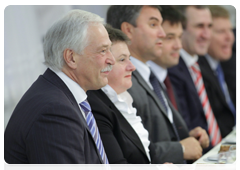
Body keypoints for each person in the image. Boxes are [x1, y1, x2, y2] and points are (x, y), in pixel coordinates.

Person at [4, 9, 115, 170]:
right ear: (71, 58)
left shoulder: (58, 96)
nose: (111, 59)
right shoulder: (54, 111)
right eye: (103, 50)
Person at [107, 5, 204, 166]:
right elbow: (134, 150)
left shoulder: (150, 74)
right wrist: (180, 148)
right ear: (128, 30)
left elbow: (159, 130)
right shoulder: (122, 80)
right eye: (153, 24)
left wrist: (185, 137)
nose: (162, 33)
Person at [87, 24, 193, 170]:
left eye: (129, 58)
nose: (132, 67)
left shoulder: (123, 99)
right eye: (122, 60)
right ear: (104, 63)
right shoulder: (96, 107)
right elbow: (119, 168)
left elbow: (145, 156)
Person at [147, 5, 210, 156]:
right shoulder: (147, 80)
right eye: (170, 38)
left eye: (180, 37)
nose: (178, 46)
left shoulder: (165, 77)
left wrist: (189, 136)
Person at [168, 5, 221, 149]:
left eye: (209, 26)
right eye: (199, 26)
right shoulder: (171, 69)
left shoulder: (200, 62)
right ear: (181, 28)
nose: (207, 34)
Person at [198, 5, 237, 138]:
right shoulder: (198, 71)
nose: (229, 37)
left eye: (230, 30)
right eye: (221, 31)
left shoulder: (222, 63)